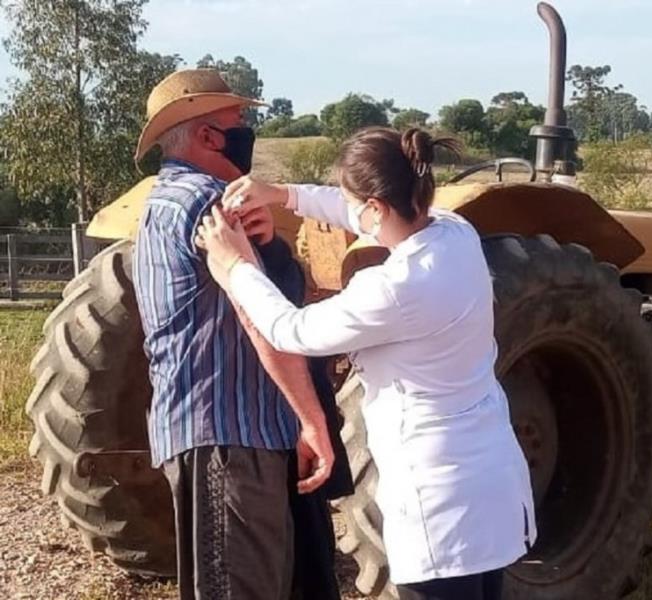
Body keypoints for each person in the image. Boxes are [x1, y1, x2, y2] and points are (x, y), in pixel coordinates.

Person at [196, 126, 538, 600]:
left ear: (375, 208)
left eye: (355, 202)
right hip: (490, 483)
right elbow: (359, 213)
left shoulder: (396, 288)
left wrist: (235, 266)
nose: (349, 210)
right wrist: (283, 195)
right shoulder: (454, 234)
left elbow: (291, 331)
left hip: (437, 501)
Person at [132, 68, 351, 600]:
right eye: (239, 121)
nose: (246, 131)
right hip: (233, 439)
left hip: (221, 434)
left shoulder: (163, 203)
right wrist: (312, 420)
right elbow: (262, 319)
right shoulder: (212, 205)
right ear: (208, 136)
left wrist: (272, 245)